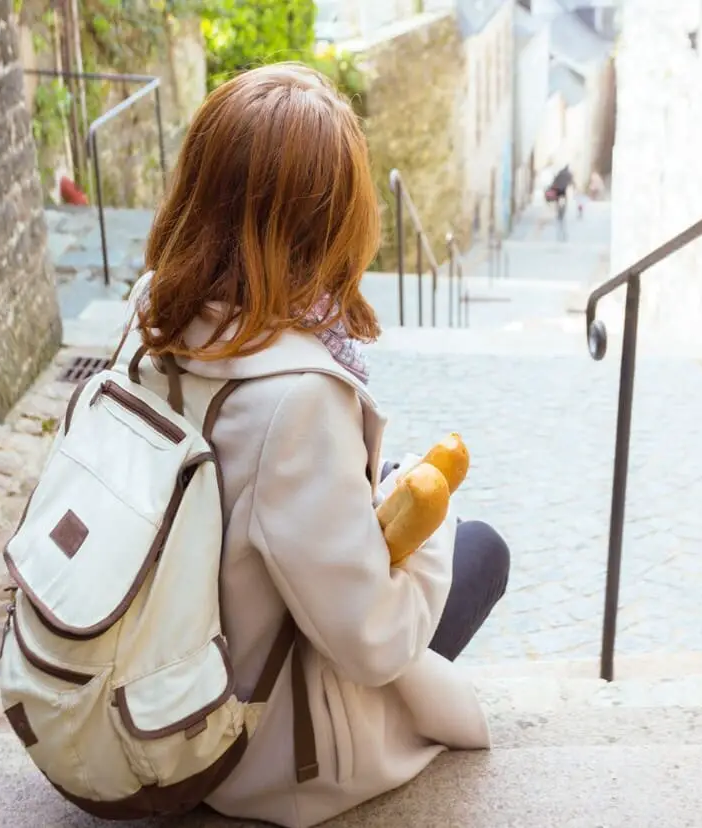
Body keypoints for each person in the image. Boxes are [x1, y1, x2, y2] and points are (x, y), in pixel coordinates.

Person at [131, 63, 510, 828]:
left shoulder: (150, 313)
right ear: (334, 225)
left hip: (149, 680)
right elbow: (369, 641)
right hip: (245, 745)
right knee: (484, 550)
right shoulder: (299, 399)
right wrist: (419, 521)